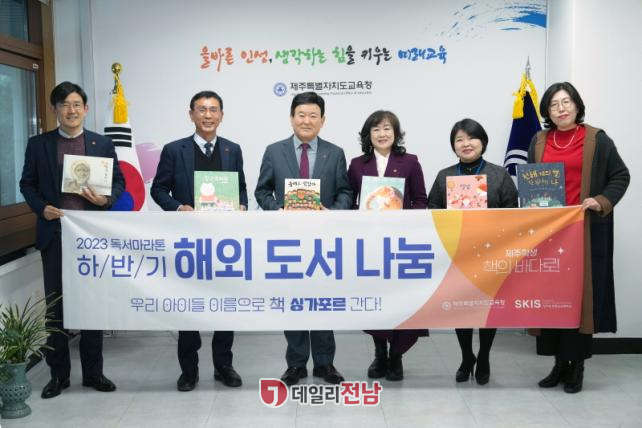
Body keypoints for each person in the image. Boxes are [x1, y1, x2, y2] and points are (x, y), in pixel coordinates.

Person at [19, 81, 124, 399]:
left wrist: (105, 200)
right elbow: (27, 184)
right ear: (55, 109)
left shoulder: (102, 143)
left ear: (86, 109)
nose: (71, 110)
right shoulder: (39, 144)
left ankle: (94, 373)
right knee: (56, 308)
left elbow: (118, 182)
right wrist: (42, 208)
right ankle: (58, 376)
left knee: (92, 305)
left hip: (90, 238)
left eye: (77, 104)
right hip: (55, 236)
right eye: (64, 104)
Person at [529, 82, 629, 393]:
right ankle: (559, 364)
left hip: (585, 232)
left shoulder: (597, 139)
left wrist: (601, 201)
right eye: (553, 104)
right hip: (549, 234)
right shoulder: (539, 140)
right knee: (552, 298)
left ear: (577, 105)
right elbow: (532, 180)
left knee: (580, 299)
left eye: (566, 102)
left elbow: (620, 175)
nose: (560, 109)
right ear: (546, 111)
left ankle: (577, 366)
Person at [151, 90, 247, 391]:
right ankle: (189, 370)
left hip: (224, 243)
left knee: (225, 305)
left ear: (221, 115)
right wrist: (179, 208)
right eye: (202, 109)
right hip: (188, 242)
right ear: (191, 114)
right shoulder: (174, 150)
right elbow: (158, 190)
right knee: (188, 304)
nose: (208, 115)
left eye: (213, 110)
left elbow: (241, 188)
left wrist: (242, 205)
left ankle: (224, 366)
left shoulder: (232, 149)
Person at [254, 91, 352, 386]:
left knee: (323, 300)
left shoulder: (335, 153)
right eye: (301, 115)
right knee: (294, 300)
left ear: (323, 120)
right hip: (288, 241)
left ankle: (325, 363)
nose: (306, 120)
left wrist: (332, 212)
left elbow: (346, 191)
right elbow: (262, 191)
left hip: (324, 241)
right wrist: (278, 210)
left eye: (313, 115)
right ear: (291, 118)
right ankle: (296, 364)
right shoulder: (274, 151)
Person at [427, 118, 518, 385]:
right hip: (457, 253)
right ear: (453, 146)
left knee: (488, 309)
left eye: (471, 138)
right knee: (461, 307)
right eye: (459, 140)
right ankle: (467, 356)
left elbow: (514, 212)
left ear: (483, 142)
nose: (466, 144)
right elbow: (432, 210)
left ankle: (485, 355)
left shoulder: (499, 175)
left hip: (492, 253)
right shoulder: (445, 176)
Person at [347, 110, 429, 381]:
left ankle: (397, 355)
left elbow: (421, 200)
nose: (382, 134)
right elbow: (349, 201)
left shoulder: (410, 162)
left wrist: (405, 221)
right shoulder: (357, 165)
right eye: (376, 129)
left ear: (396, 133)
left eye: (387, 129)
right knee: (375, 298)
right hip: (370, 245)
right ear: (368, 135)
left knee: (401, 298)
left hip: (401, 243)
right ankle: (380, 352)